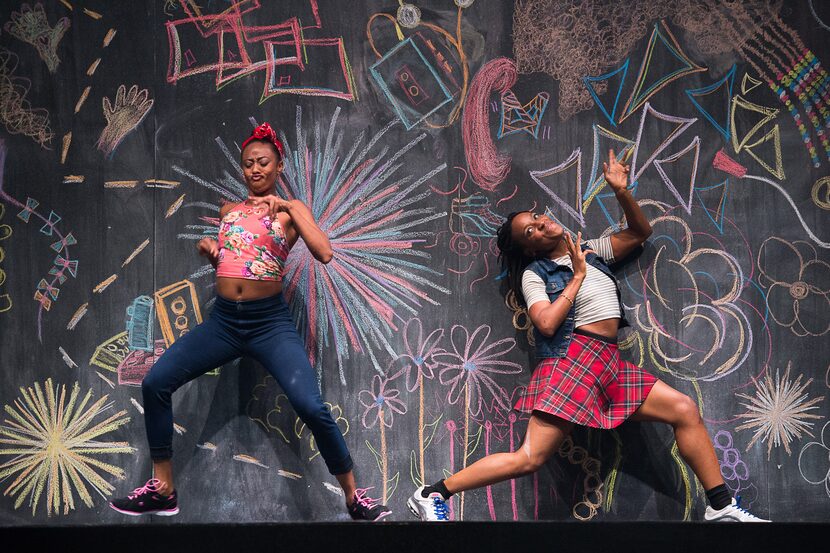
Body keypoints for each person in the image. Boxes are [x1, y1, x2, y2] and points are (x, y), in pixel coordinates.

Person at [407, 150, 769, 523]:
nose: (538, 225)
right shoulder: (537, 274)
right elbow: (545, 324)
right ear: (530, 248)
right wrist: (576, 277)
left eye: (534, 218)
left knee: (684, 410)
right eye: (529, 232)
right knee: (530, 457)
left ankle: (720, 505)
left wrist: (621, 191)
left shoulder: (592, 251)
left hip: (609, 361)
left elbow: (640, 233)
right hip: (572, 361)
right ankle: (435, 492)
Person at [110, 123, 391, 522]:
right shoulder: (230, 212)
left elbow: (324, 252)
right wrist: (212, 253)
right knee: (156, 382)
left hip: (269, 323)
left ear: (278, 166)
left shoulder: (293, 212)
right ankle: (164, 490)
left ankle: (353, 497)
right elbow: (239, 261)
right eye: (248, 165)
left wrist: (292, 207)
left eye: (263, 163)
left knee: (311, 406)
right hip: (224, 323)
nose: (254, 170)